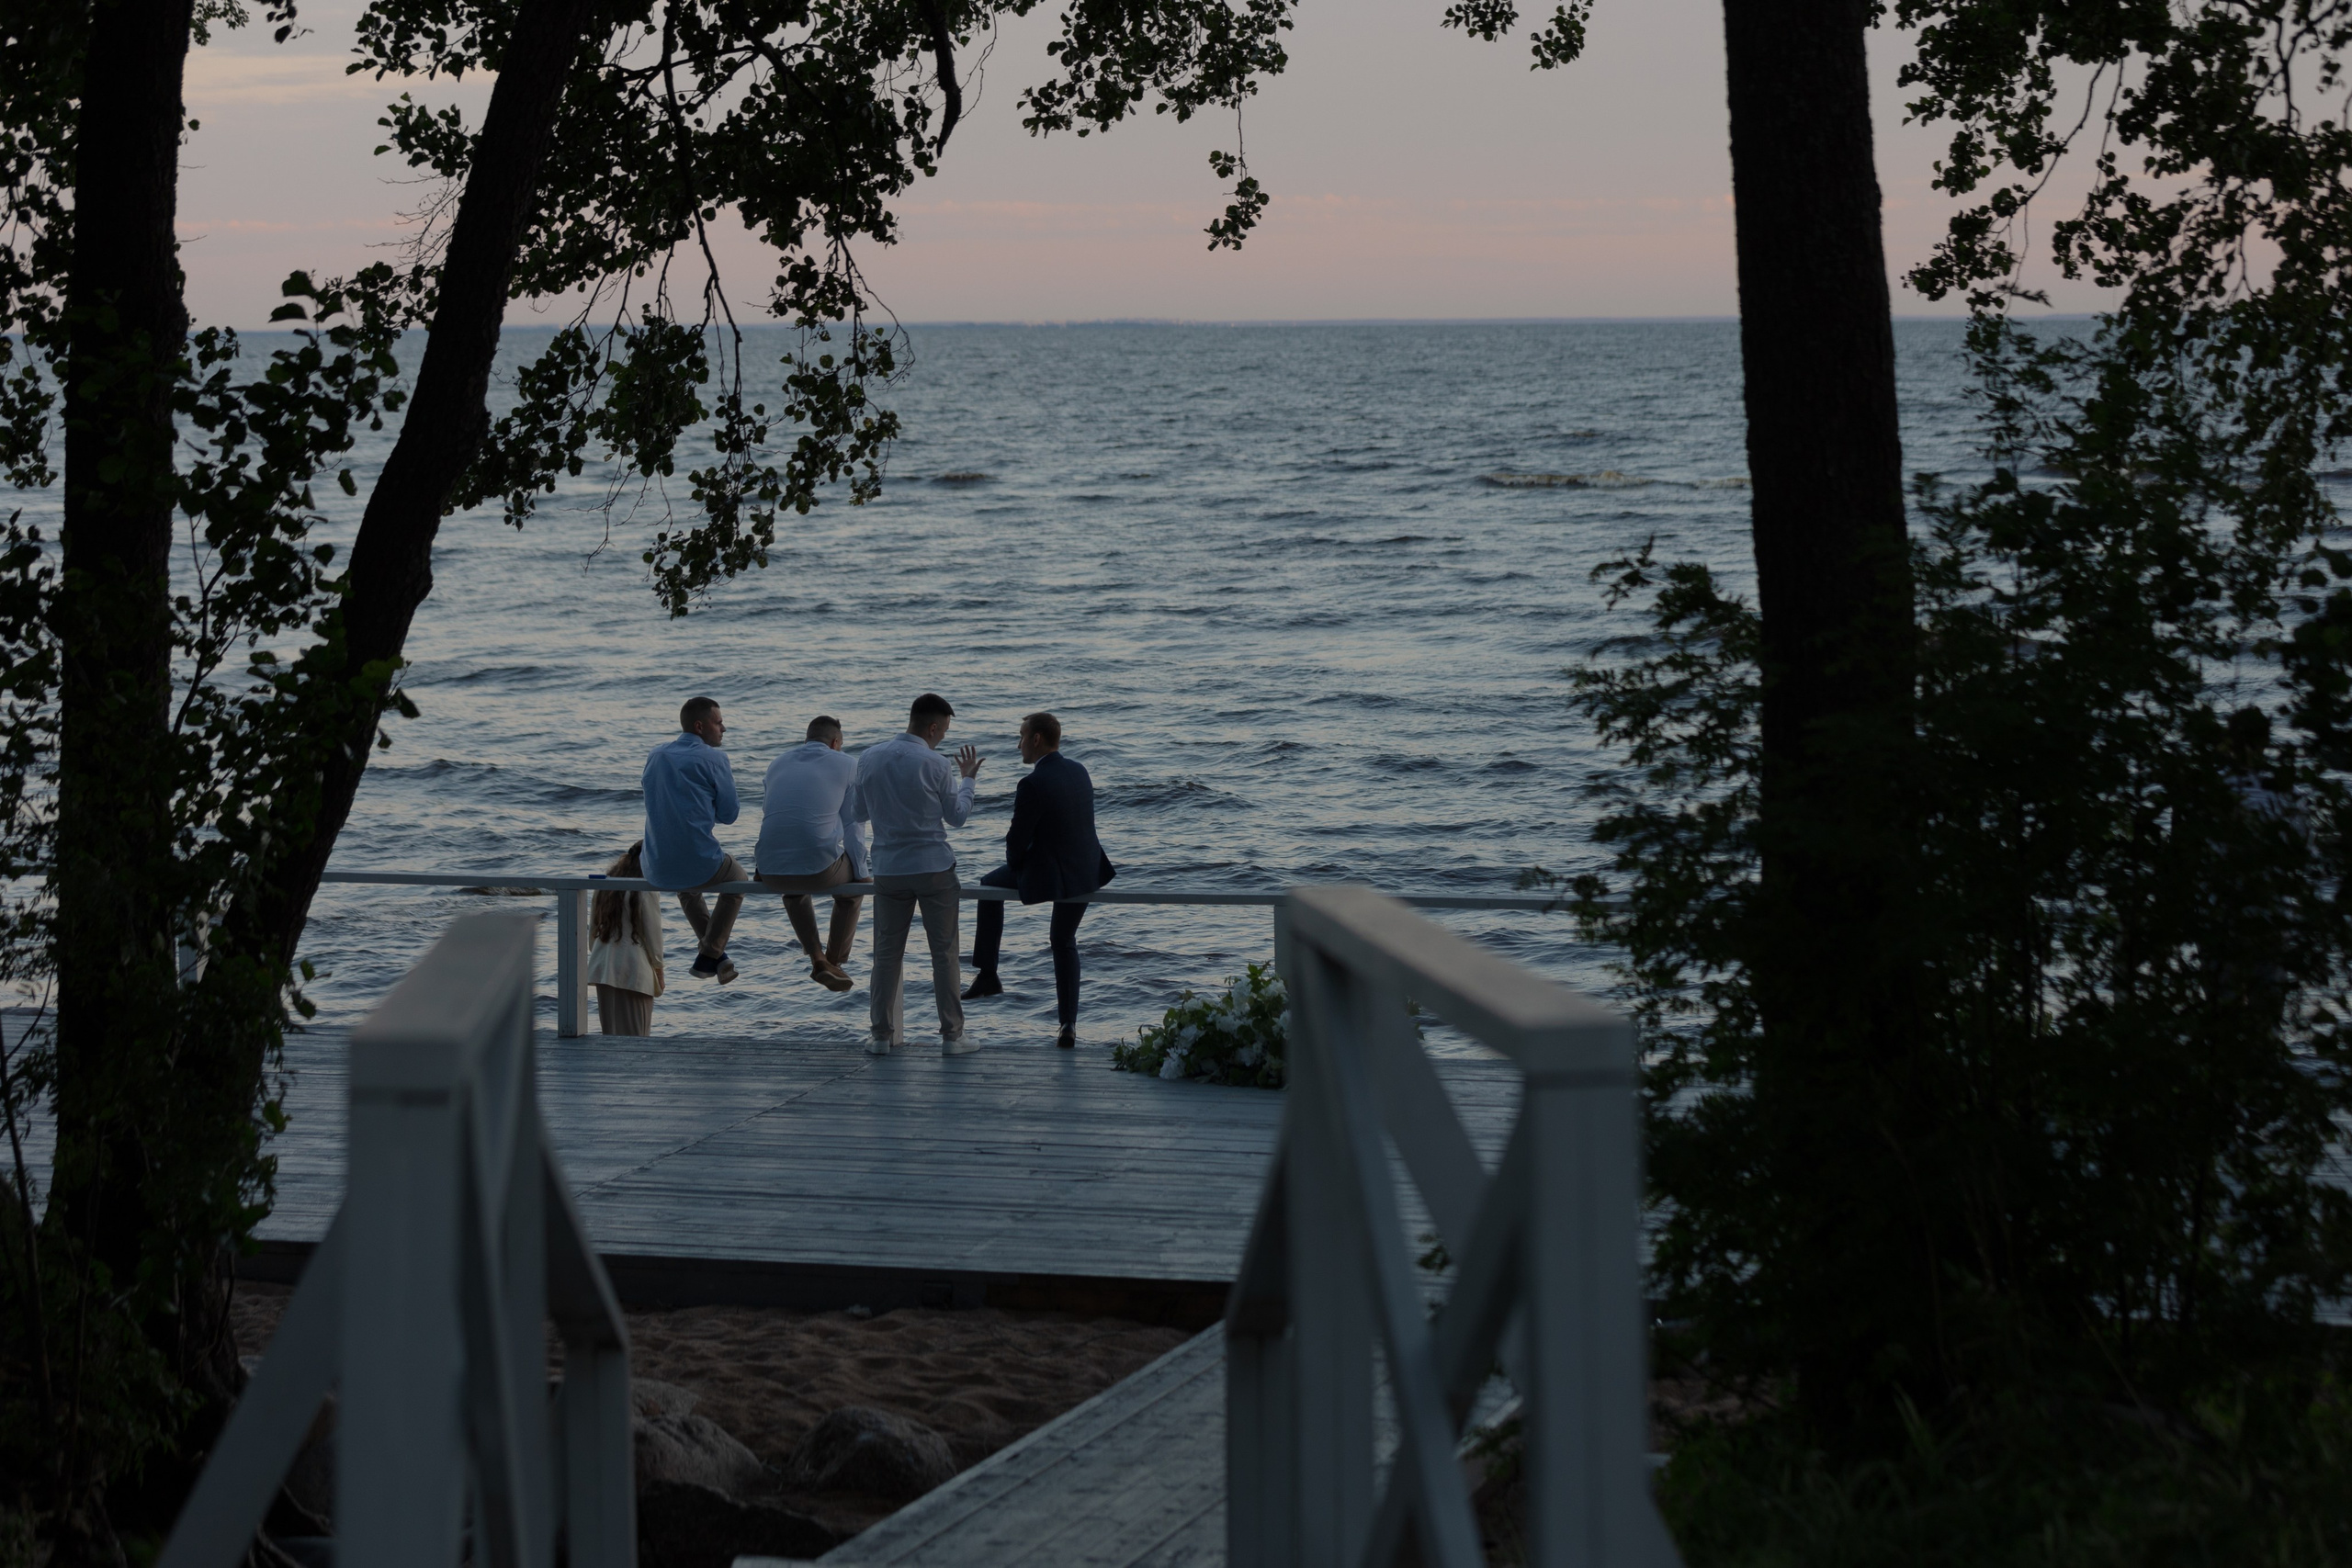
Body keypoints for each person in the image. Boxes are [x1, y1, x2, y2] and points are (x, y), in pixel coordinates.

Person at [961, 712, 1115, 1048]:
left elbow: (1016, 840)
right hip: (1088, 869)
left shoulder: (1032, 783)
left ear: (1036, 739)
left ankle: (988, 975)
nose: (1018, 745)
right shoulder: (1079, 769)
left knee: (988, 887)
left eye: (1020, 737)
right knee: (1063, 941)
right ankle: (1068, 1026)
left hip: (1052, 871)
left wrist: (1018, 865)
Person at [854, 693, 984, 1055]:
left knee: (886, 953)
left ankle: (881, 1036)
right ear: (932, 726)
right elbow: (957, 818)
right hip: (933, 869)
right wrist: (968, 780)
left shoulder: (868, 758)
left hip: (888, 869)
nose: (942, 737)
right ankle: (952, 1037)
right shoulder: (936, 764)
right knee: (943, 954)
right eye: (943, 731)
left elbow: (857, 813)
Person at [756, 715, 867, 994]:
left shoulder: (777, 763)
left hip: (769, 869)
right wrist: (863, 874)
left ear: (806, 739)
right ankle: (834, 961)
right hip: (819, 870)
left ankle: (816, 957)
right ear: (835, 743)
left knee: (793, 890)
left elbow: (770, 814)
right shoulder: (848, 764)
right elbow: (854, 826)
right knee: (852, 889)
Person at [641, 695, 748, 983]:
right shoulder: (715, 758)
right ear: (700, 727)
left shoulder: (656, 754)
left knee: (687, 887)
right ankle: (711, 952)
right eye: (719, 722)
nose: (724, 728)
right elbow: (729, 815)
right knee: (738, 880)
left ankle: (717, 958)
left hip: (655, 863)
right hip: (698, 861)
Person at [585, 842, 663, 1034]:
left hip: (603, 966)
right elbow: (654, 937)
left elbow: (592, 933)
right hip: (634, 969)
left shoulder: (606, 883)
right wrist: (659, 973)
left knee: (610, 1035)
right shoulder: (646, 887)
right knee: (637, 1037)